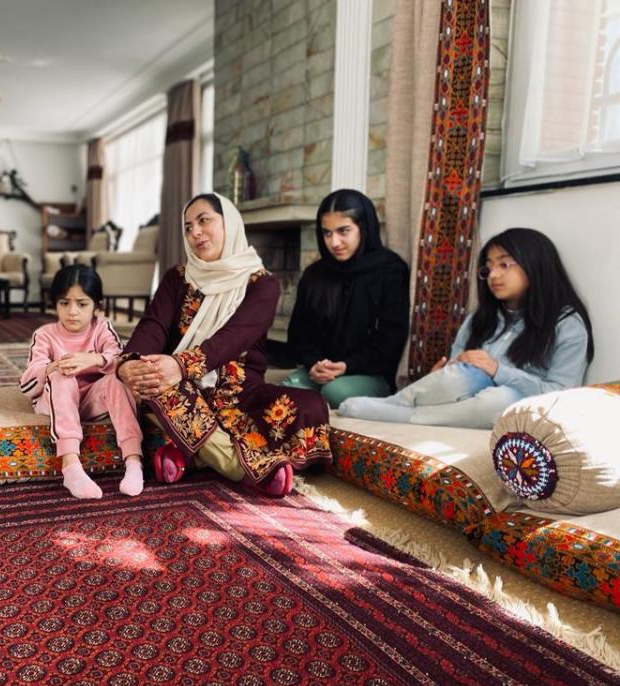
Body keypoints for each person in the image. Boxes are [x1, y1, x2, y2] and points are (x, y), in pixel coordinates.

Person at [117, 192, 331, 497]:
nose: (195, 233)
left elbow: (236, 337)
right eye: (188, 227)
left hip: (241, 397)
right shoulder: (177, 278)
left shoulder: (262, 283)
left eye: (204, 221)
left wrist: (181, 365)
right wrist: (130, 362)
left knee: (311, 405)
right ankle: (246, 468)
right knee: (156, 385)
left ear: (229, 222)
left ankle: (189, 455)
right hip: (184, 391)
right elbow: (154, 325)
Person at [338, 228, 594, 429]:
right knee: (462, 375)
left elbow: (561, 395)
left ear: (536, 264)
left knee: (502, 399)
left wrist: (498, 371)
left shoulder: (567, 325)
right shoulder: (480, 318)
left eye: (504, 264)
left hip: (508, 408)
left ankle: (401, 415)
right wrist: (444, 372)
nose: (493, 275)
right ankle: (393, 406)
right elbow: (457, 370)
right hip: (460, 399)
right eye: (489, 267)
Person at [19, 264, 143, 499]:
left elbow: (120, 358)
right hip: (56, 401)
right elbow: (26, 384)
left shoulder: (102, 328)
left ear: (97, 307)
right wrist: (53, 367)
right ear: (55, 304)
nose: (72, 311)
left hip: (91, 403)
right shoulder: (44, 334)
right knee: (62, 375)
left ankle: (134, 462)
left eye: (82, 304)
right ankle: (71, 467)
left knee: (118, 378)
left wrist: (92, 359)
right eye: (64, 303)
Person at [282, 188, 410, 407]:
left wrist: (346, 366)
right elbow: (299, 334)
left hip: (370, 374)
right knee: (289, 391)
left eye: (344, 231)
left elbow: (390, 341)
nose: (334, 242)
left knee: (335, 391)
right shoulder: (315, 275)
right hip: (321, 372)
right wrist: (314, 364)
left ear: (364, 228)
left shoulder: (390, 270)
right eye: (327, 233)